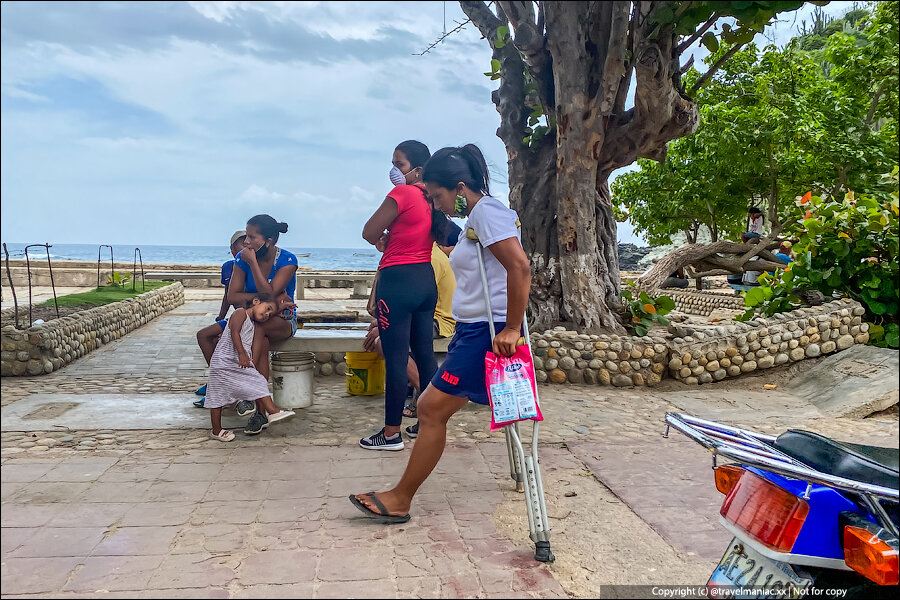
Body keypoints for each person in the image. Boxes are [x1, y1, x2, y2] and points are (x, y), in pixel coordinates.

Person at [350, 144, 531, 522]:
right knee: (436, 408)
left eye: (437, 196)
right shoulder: (477, 218)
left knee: (431, 409)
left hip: (486, 331)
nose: (436, 204)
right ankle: (404, 495)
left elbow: (520, 267)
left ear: (459, 188)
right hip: (473, 329)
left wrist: (513, 328)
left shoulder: (486, 213)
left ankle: (401, 498)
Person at [358, 140, 458, 452]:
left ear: (416, 170)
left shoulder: (402, 193)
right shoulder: (433, 199)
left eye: (398, 164)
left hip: (397, 281)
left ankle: (390, 434)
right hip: (424, 280)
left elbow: (368, 232)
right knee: (425, 356)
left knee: (397, 359)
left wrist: (381, 239)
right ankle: (427, 422)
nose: (394, 171)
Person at [362, 240, 458, 432]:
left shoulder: (428, 258)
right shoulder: (422, 253)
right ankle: (426, 403)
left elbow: (413, 302)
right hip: (425, 317)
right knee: (383, 336)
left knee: (384, 343)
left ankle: (426, 399)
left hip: (439, 322)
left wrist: (384, 326)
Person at [228, 215, 299, 434]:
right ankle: (262, 411)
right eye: (246, 236)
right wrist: (263, 299)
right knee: (258, 336)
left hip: (282, 320)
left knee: (258, 328)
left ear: (270, 240)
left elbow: (270, 294)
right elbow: (232, 296)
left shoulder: (287, 261)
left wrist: (253, 266)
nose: (246, 242)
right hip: (254, 319)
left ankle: (252, 399)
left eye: (251, 237)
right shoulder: (241, 258)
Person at [205, 292, 296, 441]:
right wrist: (241, 353)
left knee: (254, 382)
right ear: (255, 301)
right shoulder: (240, 313)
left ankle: (271, 412)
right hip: (224, 361)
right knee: (218, 397)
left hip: (234, 362)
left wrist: (283, 306)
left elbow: (268, 306)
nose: (267, 314)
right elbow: (234, 333)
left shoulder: (253, 324)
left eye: (270, 313)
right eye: (266, 309)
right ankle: (272, 411)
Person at [193, 230, 248, 408]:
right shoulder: (227, 267)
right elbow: (227, 295)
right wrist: (221, 316)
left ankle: (219, 386)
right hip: (233, 319)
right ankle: (218, 381)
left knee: (220, 341)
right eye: (241, 243)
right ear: (232, 249)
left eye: (247, 242)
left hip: (248, 320)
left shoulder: (253, 267)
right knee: (204, 335)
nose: (246, 245)